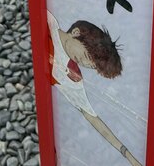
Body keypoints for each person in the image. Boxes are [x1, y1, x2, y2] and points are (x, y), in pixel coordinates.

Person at [47, 11, 143, 166]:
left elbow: (92, 117)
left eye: (89, 66)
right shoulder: (48, 22)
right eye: (85, 56)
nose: (82, 63)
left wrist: (128, 155)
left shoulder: (71, 76)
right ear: (75, 32)